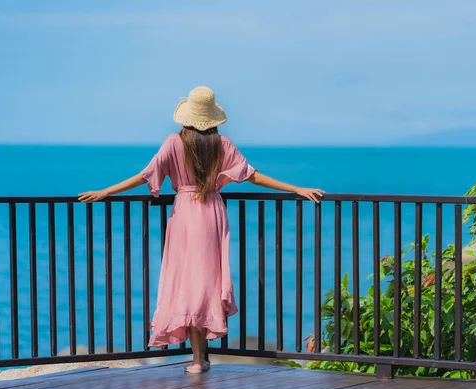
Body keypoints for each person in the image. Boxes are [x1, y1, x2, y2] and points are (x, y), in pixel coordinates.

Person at [78, 86, 324, 373]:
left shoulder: (174, 142)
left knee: (187, 284)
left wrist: (105, 191)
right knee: (206, 284)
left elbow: (145, 175)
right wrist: (296, 188)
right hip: (212, 215)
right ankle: (199, 358)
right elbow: (253, 176)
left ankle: (198, 360)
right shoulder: (223, 145)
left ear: (186, 116)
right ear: (213, 118)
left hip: (185, 215)